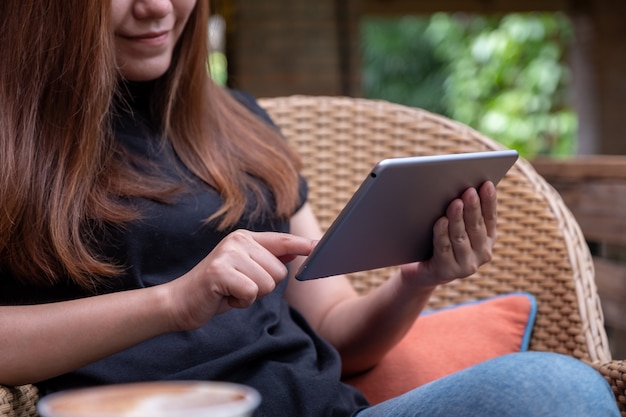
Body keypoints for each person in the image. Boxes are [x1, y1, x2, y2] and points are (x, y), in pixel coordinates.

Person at [0, 1, 619, 416]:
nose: (159, 7)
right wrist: (173, 303)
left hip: (326, 409)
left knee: (555, 387)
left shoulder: (239, 124)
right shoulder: (16, 145)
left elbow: (339, 335)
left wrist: (419, 278)